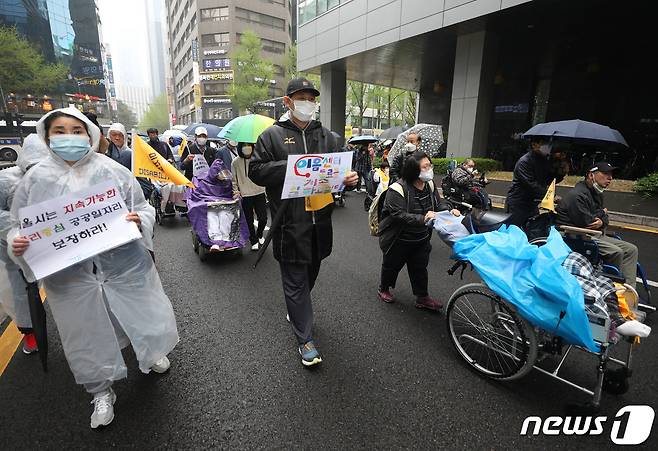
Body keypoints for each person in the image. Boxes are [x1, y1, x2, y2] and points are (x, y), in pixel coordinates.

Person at [8, 107, 179, 429]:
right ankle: (100, 390)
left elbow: (141, 207)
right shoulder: (35, 179)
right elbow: (19, 225)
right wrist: (17, 242)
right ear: (47, 137)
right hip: (70, 279)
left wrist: (137, 220)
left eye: (76, 129)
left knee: (143, 314)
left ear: (90, 133)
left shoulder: (111, 170)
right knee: (85, 333)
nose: (68, 137)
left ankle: (151, 353)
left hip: (124, 266)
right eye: (59, 131)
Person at [249, 77, 359, 367]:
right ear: (287, 102)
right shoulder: (271, 136)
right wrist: (294, 167)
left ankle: (296, 307)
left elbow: (342, 171)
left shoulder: (328, 136)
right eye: (301, 98)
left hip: (320, 221)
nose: (307, 104)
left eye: (311, 99)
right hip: (289, 222)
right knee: (295, 279)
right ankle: (305, 339)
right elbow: (256, 171)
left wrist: (348, 179)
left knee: (311, 271)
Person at [377, 151, 460, 310]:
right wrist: (423, 218)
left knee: (420, 268)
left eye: (430, 165)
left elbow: (437, 204)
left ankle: (422, 297)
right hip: (398, 239)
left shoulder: (429, 184)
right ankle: (384, 288)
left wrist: (449, 209)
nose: (430, 169)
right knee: (391, 266)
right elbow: (398, 215)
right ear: (414, 170)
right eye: (425, 166)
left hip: (421, 238)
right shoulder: (397, 189)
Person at [0, 134, 50, 354]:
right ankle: (31, 333)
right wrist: (14, 232)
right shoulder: (6, 180)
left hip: (46, 241)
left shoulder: (54, 177)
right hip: (13, 247)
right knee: (21, 290)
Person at [556, 162, 639, 287]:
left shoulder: (596, 193)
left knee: (631, 249)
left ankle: (629, 290)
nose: (610, 178)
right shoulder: (577, 195)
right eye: (606, 174)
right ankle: (612, 289)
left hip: (594, 233)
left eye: (611, 174)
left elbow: (601, 218)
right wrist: (603, 215)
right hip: (578, 235)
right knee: (616, 252)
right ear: (591, 175)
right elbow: (588, 223)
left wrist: (602, 218)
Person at [505, 137, 567, 229]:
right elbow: (531, 185)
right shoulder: (524, 162)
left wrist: (560, 173)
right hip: (518, 204)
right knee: (513, 232)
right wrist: (551, 196)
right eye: (543, 143)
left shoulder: (544, 160)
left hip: (532, 204)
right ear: (534, 145)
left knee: (533, 231)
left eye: (548, 144)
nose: (547, 147)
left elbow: (548, 180)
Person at [232, 142, 268, 251]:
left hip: (260, 191)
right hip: (245, 194)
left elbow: (265, 174)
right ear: (240, 147)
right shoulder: (235, 162)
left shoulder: (258, 159)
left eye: (249, 145)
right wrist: (236, 191)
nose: (247, 147)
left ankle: (260, 233)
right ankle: (253, 240)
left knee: (263, 218)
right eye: (244, 145)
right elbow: (234, 180)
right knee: (249, 220)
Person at [106, 122, 155, 200]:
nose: (117, 138)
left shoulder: (130, 154)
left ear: (125, 137)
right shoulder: (105, 155)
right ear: (109, 136)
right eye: (114, 135)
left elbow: (141, 179)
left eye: (120, 135)